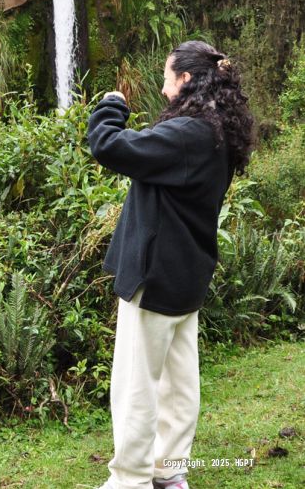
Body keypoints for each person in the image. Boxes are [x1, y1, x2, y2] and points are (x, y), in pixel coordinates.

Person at [87, 41, 254, 489]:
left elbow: (108, 146)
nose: (162, 88)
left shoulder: (187, 134)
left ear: (185, 80)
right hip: (186, 277)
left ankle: (131, 480)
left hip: (156, 277)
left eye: (166, 77)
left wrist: (110, 107)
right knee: (179, 387)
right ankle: (169, 471)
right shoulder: (216, 132)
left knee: (137, 387)